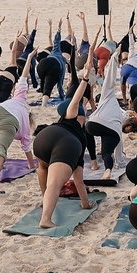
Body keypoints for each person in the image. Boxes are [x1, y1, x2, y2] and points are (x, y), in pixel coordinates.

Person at [32, 59, 93, 228]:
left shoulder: (64, 119)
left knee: (43, 168)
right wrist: (85, 80)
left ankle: (46, 200)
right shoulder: (75, 120)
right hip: (65, 144)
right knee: (55, 184)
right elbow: (79, 181)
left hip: (43, 138)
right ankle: (45, 219)